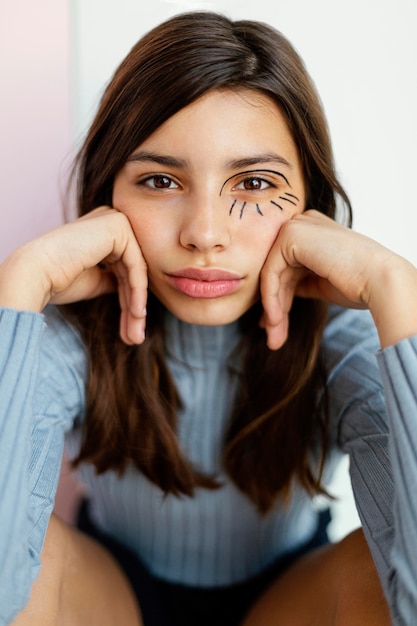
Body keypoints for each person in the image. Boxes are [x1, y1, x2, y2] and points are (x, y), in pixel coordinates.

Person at [1, 10, 416, 626]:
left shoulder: (345, 344)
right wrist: (19, 285)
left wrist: (397, 292)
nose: (204, 234)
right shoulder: (73, 339)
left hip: (288, 599)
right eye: (161, 179)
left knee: (380, 571)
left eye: (252, 183)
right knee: (30, 570)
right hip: (114, 597)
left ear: (309, 204)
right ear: (108, 194)